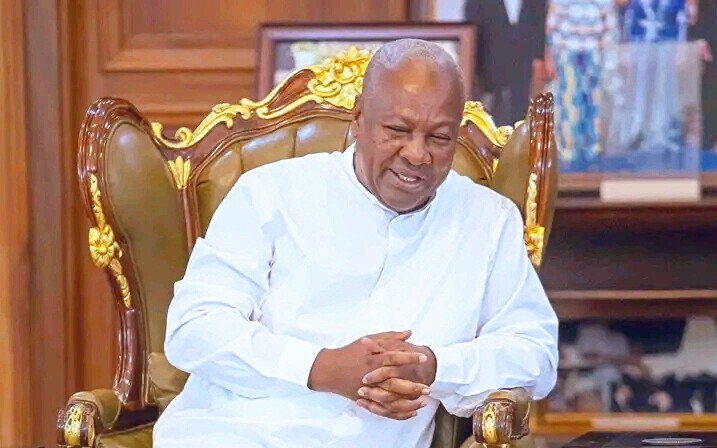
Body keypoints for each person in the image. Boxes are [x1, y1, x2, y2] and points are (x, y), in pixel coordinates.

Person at [153, 39, 558, 448]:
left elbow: (535, 354)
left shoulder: (488, 219)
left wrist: (434, 366)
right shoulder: (269, 193)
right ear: (359, 119)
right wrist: (320, 367)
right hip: (228, 434)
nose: (417, 154)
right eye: (397, 131)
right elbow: (193, 328)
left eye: (439, 137)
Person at [464, 0, 548, 125]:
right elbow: (470, 40)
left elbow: (541, 32)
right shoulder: (477, 3)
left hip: (526, 81)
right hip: (490, 82)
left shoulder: (538, 3)